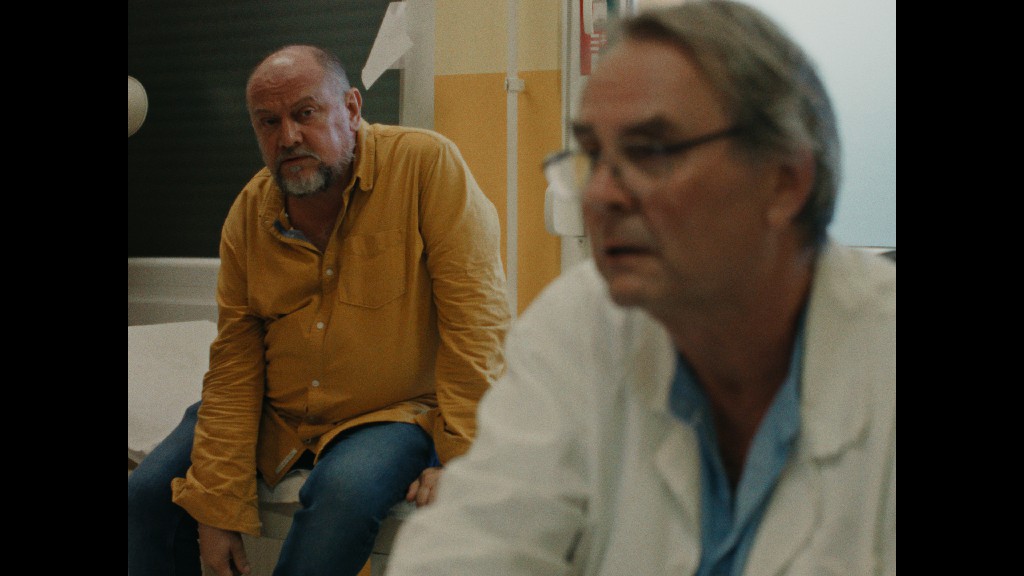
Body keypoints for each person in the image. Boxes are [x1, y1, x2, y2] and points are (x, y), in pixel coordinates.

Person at [385, 2, 896, 575]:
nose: (601, 194)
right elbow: (467, 548)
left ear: (785, 182)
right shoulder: (580, 323)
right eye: (593, 155)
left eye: (651, 152)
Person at [127, 44, 510, 576]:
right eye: (268, 122)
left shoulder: (425, 166)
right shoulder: (248, 213)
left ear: (351, 109)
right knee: (145, 495)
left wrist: (465, 459)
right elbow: (235, 365)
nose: (287, 137)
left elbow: (477, 322)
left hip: (388, 412)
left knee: (342, 495)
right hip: (276, 411)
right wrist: (214, 504)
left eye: (305, 113)